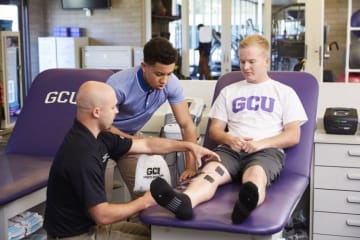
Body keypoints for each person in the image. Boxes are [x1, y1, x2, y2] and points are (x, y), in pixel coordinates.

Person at [150, 34, 308, 224]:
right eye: (242, 61)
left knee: (255, 175)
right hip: (230, 151)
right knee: (209, 174)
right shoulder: (229, 91)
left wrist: (259, 144)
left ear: (266, 61)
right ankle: (185, 202)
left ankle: (246, 205)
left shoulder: (283, 92)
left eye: (251, 61)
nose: (245, 67)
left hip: (265, 152)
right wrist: (229, 139)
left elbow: (293, 135)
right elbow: (215, 131)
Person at [44, 81, 219, 239]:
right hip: (74, 235)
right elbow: (102, 214)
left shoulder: (100, 137)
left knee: (152, 235)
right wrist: (145, 201)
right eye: (113, 108)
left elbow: (147, 145)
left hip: (90, 225)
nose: (117, 111)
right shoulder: (81, 153)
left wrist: (189, 146)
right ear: (97, 112)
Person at [106, 37, 199, 200]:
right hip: (104, 139)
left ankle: (139, 226)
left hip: (131, 139)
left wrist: (191, 166)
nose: (164, 80)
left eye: (169, 73)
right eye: (159, 74)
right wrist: (136, 141)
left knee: (147, 195)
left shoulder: (171, 84)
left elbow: (186, 125)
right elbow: (102, 125)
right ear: (144, 66)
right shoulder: (119, 85)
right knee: (100, 197)